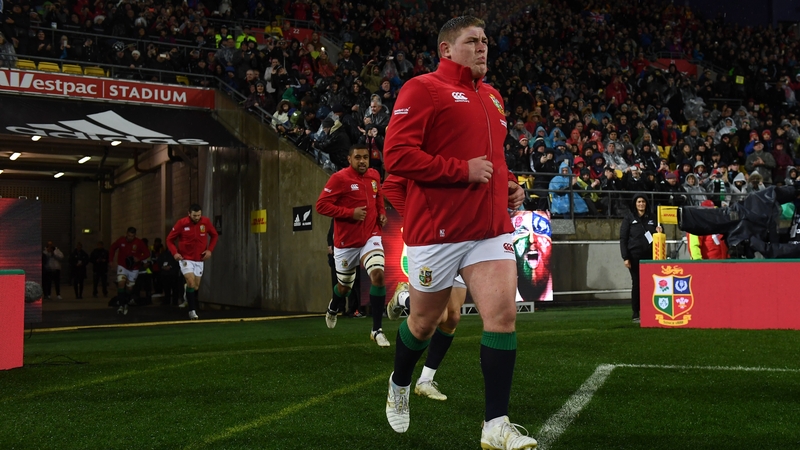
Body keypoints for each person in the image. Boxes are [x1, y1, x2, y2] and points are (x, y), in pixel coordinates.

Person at [382, 16, 537, 449]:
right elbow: (397, 156)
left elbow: (493, 157)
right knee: (424, 322)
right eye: (472, 40)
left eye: (485, 40)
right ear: (446, 49)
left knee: (502, 318)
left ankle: (496, 426)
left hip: (489, 229)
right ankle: (399, 383)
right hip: (439, 231)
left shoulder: (493, 96)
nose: (482, 47)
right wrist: (461, 171)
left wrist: (510, 185)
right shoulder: (422, 88)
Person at [316, 145, 390, 347]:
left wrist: (382, 213)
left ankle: (376, 330)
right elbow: (321, 205)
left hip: (371, 236)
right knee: (344, 288)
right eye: (358, 157)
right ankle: (334, 306)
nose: (362, 161)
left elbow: (378, 196)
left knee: (378, 275)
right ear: (349, 159)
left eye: (365, 157)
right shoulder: (339, 178)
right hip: (346, 242)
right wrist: (350, 213)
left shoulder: (374, 175)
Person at [166, 204, 219, 320]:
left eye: (199, 215)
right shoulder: (181, 223)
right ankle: (192, 311)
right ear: (189, 214)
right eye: (194, 215)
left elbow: (214, 235)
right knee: (191, 282)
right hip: (185, 258)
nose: (197, 217)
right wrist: (175, 253)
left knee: (195, 287)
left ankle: (187, 291)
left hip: (199, 259)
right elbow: (169, 239)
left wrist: (209, 250)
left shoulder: (206, 222)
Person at [620, 194, 662, 323]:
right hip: (634, 256)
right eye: (639, 202)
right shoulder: (629, 218)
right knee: (637, 283)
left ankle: (650, 310)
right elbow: (623, 239)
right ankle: (636, 312)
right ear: (635, 203)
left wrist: (660, 231)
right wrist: (625, 257)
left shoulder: (653, 218)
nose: (641, 204)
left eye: (643, 201)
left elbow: (660, 235)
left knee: (651, 284)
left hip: (651, 256)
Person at [109, 227, 150, 315]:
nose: (130, 237)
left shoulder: (139, 242)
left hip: (134, 268)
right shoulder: (121, 240)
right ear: (126, 234)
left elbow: (147, 253)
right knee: (121, 283)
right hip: (122, 266)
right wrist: (111, 260)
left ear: (135, 235)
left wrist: (139, 258)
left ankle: (125, 302)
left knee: (129, 288)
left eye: (132, 236)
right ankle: (121, 305)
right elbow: (112, 248)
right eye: (129, 235)